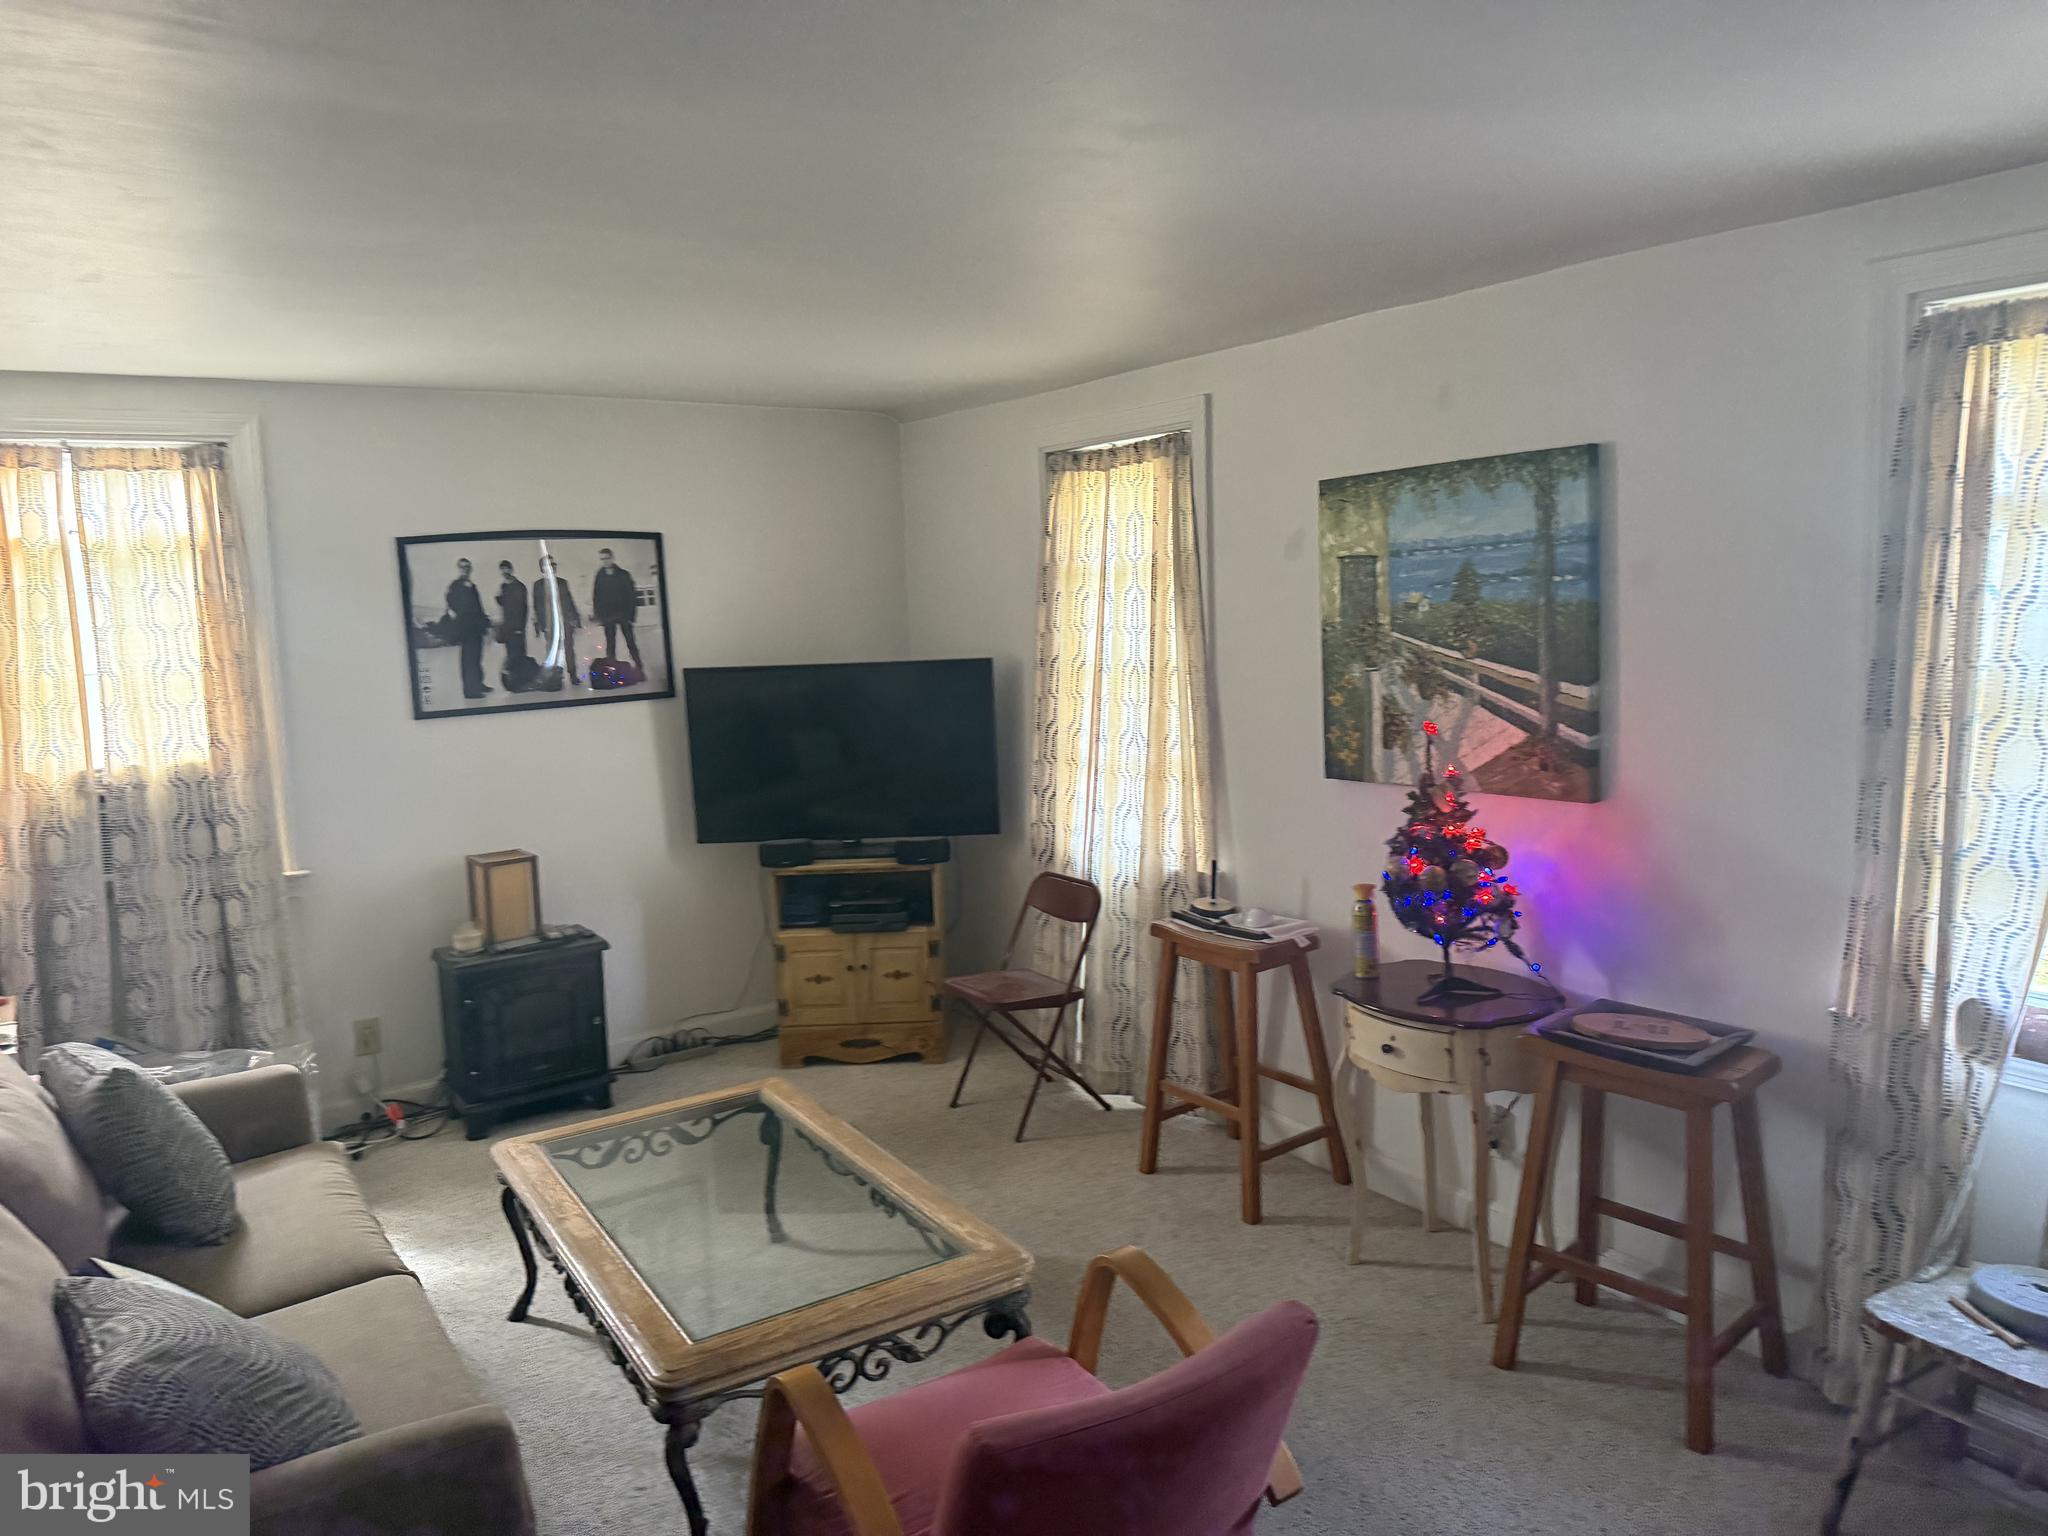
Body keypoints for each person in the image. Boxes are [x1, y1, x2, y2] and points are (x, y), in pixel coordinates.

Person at [443, 557, 491, 699]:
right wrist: (457, 619)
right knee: (468, 659)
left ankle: (478, 684)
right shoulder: (455, 585)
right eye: (463, 567)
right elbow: (451, 602)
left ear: (471, 568)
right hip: (466, 629)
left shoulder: (472, 586)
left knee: (477, 658)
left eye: (468, 567)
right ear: (459, 568)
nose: (466, 569)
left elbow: (478, 607)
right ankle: (470, 691)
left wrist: (485, 624)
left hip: (476, 628)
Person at [590, 547, 643, 673]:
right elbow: (596, 597)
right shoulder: (599, 576)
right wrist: (599, 616)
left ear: (612, 558)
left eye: (607, 558)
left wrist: (631, 616)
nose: (605, 561)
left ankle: (640, 668)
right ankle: (612, 670)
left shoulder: (624, 574)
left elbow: (631, 595)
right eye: (602, 559)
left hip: (624, 614)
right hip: (608, 616)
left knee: (630, 642)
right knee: (610, 644)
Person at [531, 554, 581, 685]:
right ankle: (555, 677)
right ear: (543, 568)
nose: (553, 567)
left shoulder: (562, 583)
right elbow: (537, 607)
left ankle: (573, 675)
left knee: (569, 649)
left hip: (565, 622)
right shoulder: (538, 586)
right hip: (550, 624)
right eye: (549, 565)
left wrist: (575, 618)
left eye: (554, 564)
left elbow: (570, 601)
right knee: (552, 651)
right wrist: (542, 625)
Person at [495, 559, 529, 670]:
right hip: (507, 627)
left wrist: (521, 627)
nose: (505, 572)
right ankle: (514, 680)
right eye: (502, 570)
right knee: (510, 654)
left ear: (511, 570)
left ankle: (522, 679)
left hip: (517, 627)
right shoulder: (503, 587)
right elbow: (503, 604)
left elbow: (523, 608)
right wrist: (498, 597)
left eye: (506, 569)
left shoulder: (520, 586)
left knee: (519, 653)